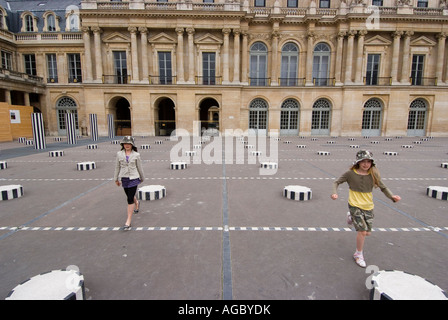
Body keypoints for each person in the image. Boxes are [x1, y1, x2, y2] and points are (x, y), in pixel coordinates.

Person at [331, 150, 401, 267]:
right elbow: (336, 182)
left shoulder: (373, 175)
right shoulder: (350, 174)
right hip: (354, 204)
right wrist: (334, 193)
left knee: (367, 233)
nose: (365, 164)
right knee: (362, 232)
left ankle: (351, 217)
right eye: (363, 161)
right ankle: (358, 254)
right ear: (358, 162)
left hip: (368, 206)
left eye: (368, 161)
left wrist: (392, 197)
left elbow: (383, 187)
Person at [114, 136, 145, 231]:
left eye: (129, 144)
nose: (127, 145)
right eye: (125, 143)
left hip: (134, 177)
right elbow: (117, 167)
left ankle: (128, 221)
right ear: (123, 145)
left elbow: (139, 167)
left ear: (132, 145)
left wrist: (142, 177)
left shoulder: (136, 155)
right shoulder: (119, 154)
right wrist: (116, 178)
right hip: (124, 178)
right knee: (129, 195)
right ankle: (137, 203)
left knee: (129, 199)